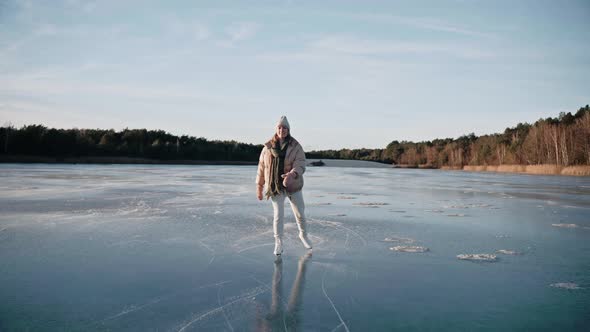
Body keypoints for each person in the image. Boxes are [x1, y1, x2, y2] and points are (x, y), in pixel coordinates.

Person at [256, 116, 312, 255]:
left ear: (289, 130)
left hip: (293, 185)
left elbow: (300, 163)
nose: (282, 130)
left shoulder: (295, 146)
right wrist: (259, 186)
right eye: (280, 127)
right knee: (278, 215)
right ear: (276, 129)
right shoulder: (267, 147)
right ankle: (278, 242)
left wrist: (292, 175)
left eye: (285, 128)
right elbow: (262, 167)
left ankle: (303, 235)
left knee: (300, 214)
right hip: (275, 186)